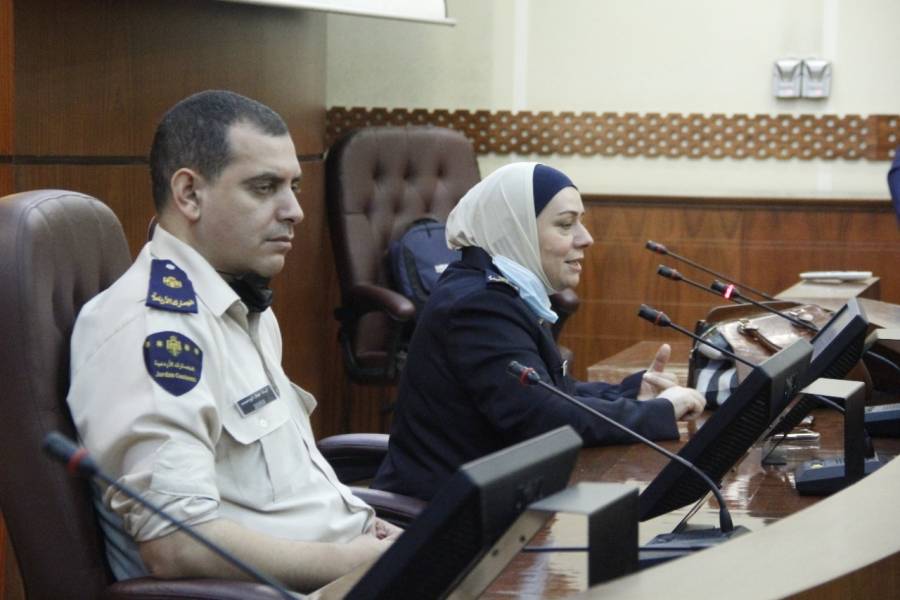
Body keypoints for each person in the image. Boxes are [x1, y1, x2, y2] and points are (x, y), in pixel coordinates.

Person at [66, 90, 400, 593]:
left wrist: (366, 534)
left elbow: (273, 496)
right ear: (189, 194)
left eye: (294, 187)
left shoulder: (238, 300)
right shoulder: (158, 330)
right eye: (264, 187)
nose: (295, 211)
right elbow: (177, 543)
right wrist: (351, 561)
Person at [372, 162, 706, 501]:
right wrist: (656, 413)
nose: (586, 238)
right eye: (565, 224)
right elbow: (543, 418)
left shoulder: (503, 291)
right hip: (446, 514)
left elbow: (551, 391)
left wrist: (630, 392)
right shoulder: (478, 306)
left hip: (496, 501)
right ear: (515, 229)